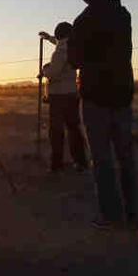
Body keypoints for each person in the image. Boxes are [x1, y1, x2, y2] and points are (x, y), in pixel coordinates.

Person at [67, 0, 137, 229]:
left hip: (95, 94)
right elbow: (105, 14)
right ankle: (133, 214)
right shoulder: (123, 15)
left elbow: (74, 60)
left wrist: (87, 4)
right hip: (122, 91)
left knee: (102, 159)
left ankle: (110, 216)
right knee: (125, 156)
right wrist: (90, 1)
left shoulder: (83, 21)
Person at [39, 22, 88, 173]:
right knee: (73, 128)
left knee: (56, 131)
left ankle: (57, 164)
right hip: (72, 93)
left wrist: (45, 71)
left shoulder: (60, 51)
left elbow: (54, 72)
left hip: (59, 96)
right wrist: (48, 38)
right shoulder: (72, 47)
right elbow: (60, 43)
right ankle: (80, 161)